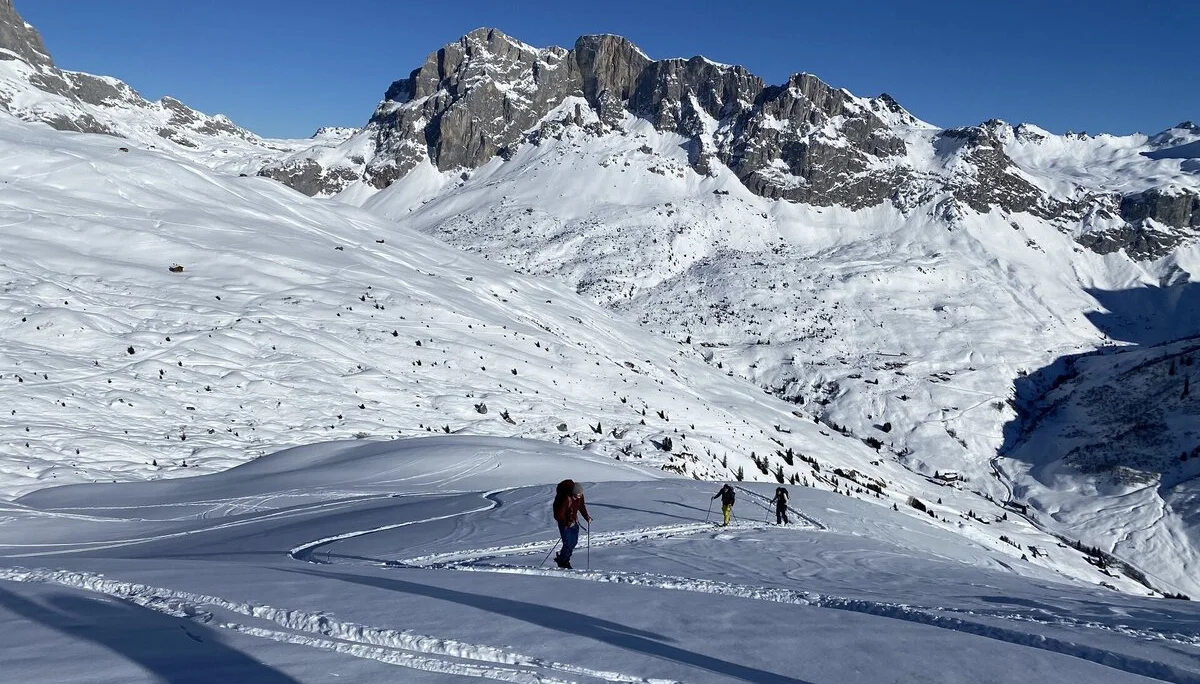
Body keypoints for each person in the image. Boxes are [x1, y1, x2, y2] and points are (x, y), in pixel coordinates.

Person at [552, 479, 591, 569]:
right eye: (578, 495)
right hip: (564, 524)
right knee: (568, 544)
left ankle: (563, 558)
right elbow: (558, 515)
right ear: (573, 493)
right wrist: (566, 523)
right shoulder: (565, 498)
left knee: (573, 542)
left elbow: (581, 506)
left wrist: (586, 517)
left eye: (581, 494)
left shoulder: (580, 496)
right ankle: (563, 562)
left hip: (574, 522)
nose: (580, 496)